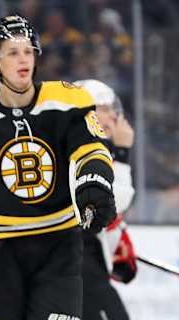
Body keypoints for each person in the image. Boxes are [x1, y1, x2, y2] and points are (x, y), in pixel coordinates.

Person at [0, 15, 116, 320]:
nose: (23, 59)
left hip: (58, 245)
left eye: (28, 51)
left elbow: (91, 148)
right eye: (12, 53)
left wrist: (94, 184)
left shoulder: (67, 100)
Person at [75, 79, 136, 320]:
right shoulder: (78, 152)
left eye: (113, 108)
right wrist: (122, 153)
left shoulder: (97, 150)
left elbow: (109, 218)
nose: (113, 117)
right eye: (105, 108)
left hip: (87, 268)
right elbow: (114, 202)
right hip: (77, 268)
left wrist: (119, 252)